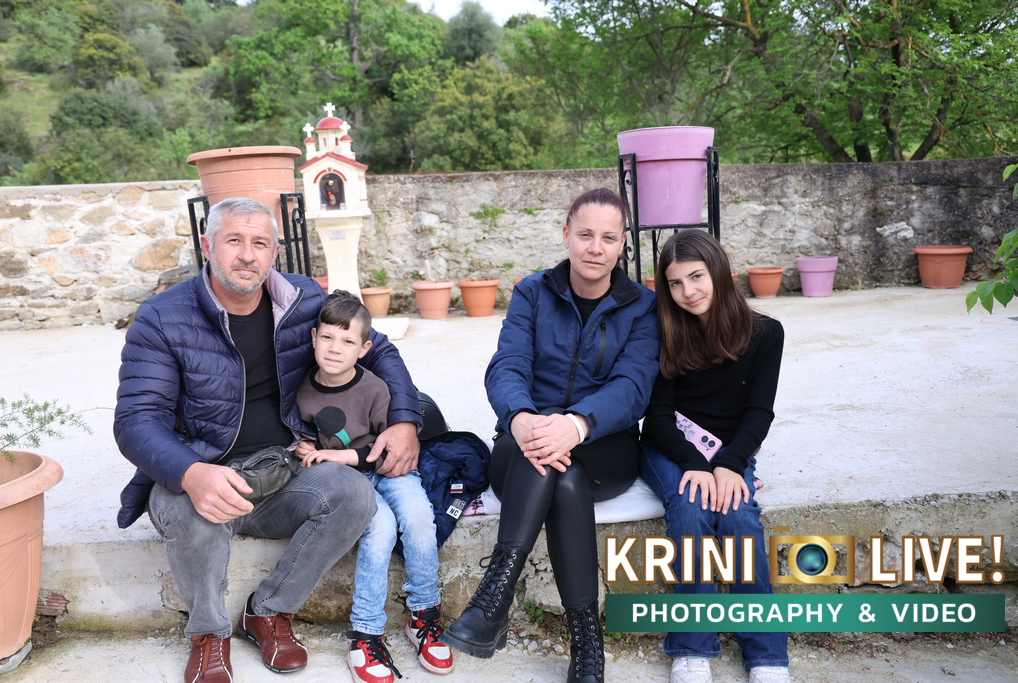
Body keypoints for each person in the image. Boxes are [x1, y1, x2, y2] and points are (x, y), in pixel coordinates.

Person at [114, 197, 424, 683]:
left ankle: (268, 612)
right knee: (193, 516)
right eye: (233, 240)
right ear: (207, 246)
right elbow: (136, 419)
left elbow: (376, 347)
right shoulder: (161, 316)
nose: (247, 254)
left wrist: (404, 420)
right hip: (199, 473)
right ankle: (209, 635)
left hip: (282, 468)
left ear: (275, 252)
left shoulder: (302, 299)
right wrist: (191, 473)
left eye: (260, 243)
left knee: (352, 494)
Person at [439, 188, 660, 683]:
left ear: (623, 243)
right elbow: (508, 365)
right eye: (585, 235)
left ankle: (491, 602)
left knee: (564, 467)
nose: (595, 248)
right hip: (525, 442)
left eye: (608, 238)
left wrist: (577, 425)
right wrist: (521, 418)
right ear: (566, 235)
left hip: (606, 446)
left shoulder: (643, 306)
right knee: (558, 472)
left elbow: (633, 387)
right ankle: (587, 644)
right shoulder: (532, 292)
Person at [639, 230, 789, 683]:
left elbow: (759, 413)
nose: (687, 291)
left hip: (729, 450)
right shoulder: (664, 331)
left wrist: (729, 464)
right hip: (671, 447)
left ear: (719, 272)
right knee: (690, 508)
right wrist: (694, 465)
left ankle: (766, 654)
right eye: (675, 282)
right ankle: (691, 647)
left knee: (739, 517)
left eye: (696, 276)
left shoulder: (766, 333)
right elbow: (657, 418)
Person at [294, 291, 453, 683]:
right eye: (328, 337)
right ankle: (365, 633)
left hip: (387, 470)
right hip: (351, 483)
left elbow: (386, 450)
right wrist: (304, 448)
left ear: (364, 349)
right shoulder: (301, 391)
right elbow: (303, 438)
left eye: (348, 341)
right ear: (313, 337)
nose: (335, 348)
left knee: (419, 518)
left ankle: (424, 614)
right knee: (380, 530)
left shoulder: (376, 388)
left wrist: (340, 456)